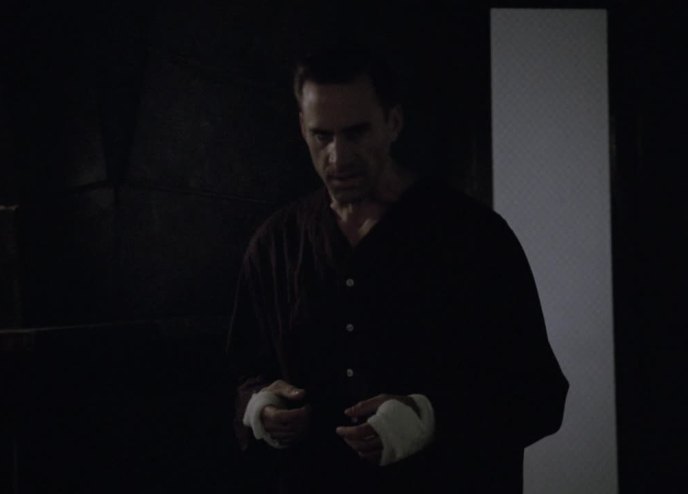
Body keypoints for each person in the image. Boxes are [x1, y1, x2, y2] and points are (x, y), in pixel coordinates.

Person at [225, 43, 568, 493]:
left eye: (356, 132)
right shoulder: (276, 244)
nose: (338, 157)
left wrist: (430, 418)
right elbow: (239, 374)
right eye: (321, 136)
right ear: (302, 129)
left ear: (393, 123)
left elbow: (539, 395)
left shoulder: (474, 237)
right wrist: (260, 408)